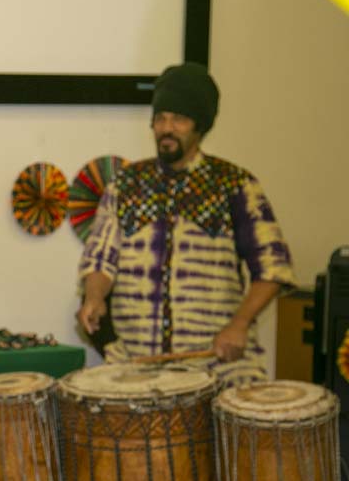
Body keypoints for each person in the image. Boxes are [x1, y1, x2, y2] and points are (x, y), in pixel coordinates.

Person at [77, 62, 295, 387]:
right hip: (136, 368)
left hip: (215, 369)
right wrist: (94, 297)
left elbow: (273, 269)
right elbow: (100, 259)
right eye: (160, 118)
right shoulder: (125, 184)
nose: (167, 128)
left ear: (200, 126)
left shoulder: (235, 184)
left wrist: (240, 324)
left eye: (179, 119)